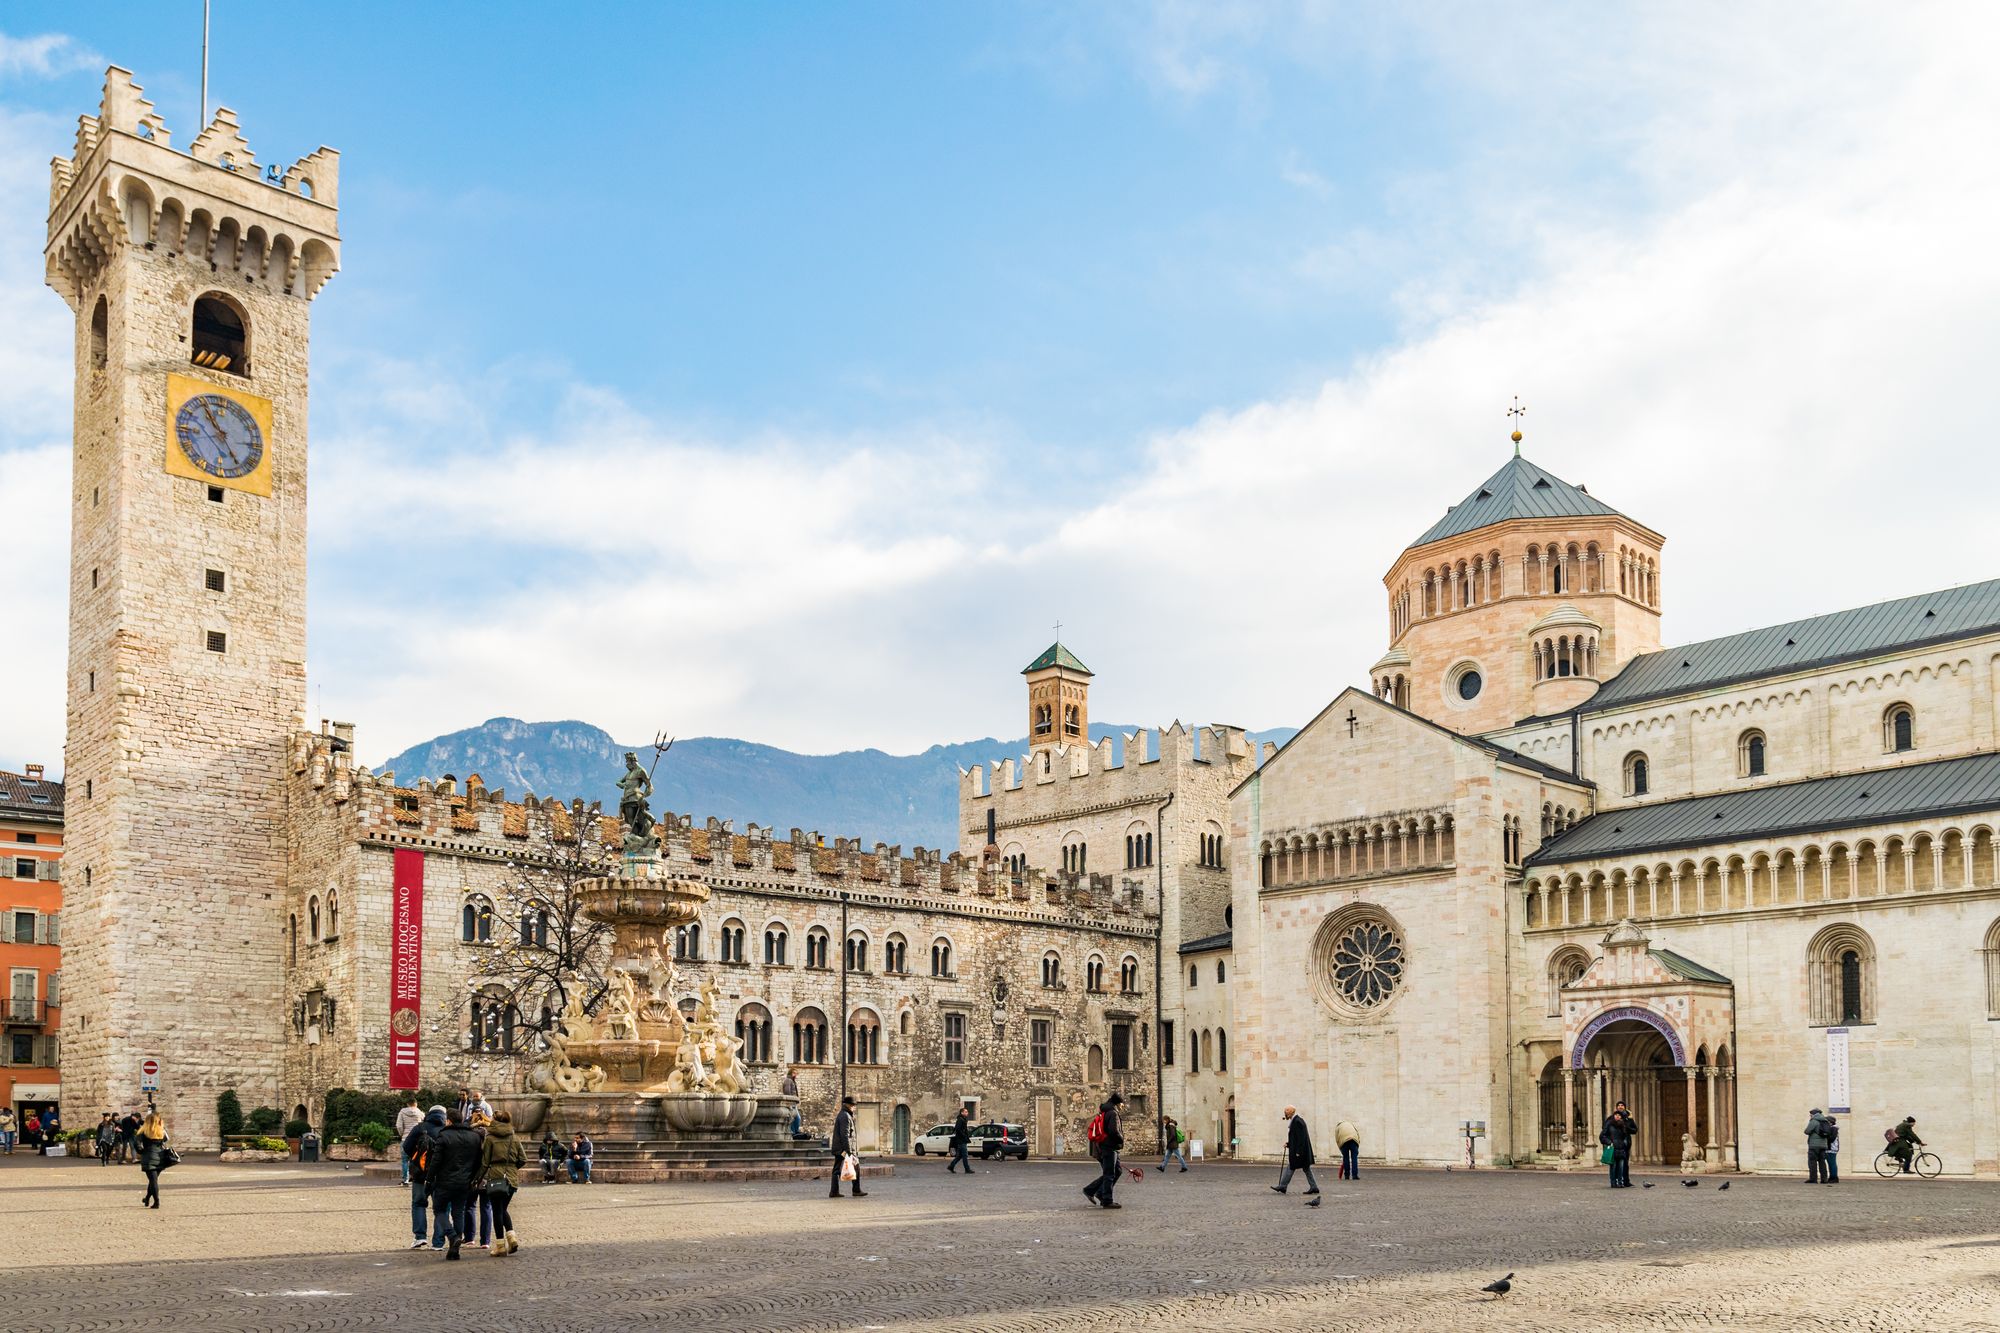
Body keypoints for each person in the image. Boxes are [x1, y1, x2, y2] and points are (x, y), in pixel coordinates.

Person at [423, 1107, 484, 1260]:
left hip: (445, 1181)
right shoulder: (474, 1137)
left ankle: (452, 1236)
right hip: (465, 1181)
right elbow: (478, 1161)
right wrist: (473, 1178)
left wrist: (429, 1179)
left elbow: (436, 1161)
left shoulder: (444, 1136)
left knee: (439, 1209)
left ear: (448, 1121)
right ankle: (454, 1250)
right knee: (458, 1212)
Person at [476, 1109, 526, 1256]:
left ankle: (500, 1246)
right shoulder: (514, 1138)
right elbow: (523, 1159)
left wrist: (477, 1179)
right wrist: (512, 1168)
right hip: (511, 1179)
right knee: (503, 1209)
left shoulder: (490, 1138)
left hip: (495, 1178)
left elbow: (485, 1162)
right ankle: (512, 1237)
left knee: (497, 1210)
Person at [404, 1105, 448, 1250]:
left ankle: (420, 1236)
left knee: (418, 1204)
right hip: (440, 1175)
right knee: (441, 1208)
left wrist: (416, 1158)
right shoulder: (446, 1130)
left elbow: (406, 1146)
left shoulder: (420, 1128)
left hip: (420, 1174)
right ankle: (438, 1242)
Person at [1082, 1093, 1124, 1209]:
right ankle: (1106, 1200)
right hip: (1109, 1147)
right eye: (1122, 1103)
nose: (1123, 1106)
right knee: (1109, 1174)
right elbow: (1113, 1131)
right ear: (1117, 1103)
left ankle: (1096, 1192)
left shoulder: (1106, 1111)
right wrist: (1121, 1138)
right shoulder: (1113, 1113)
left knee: (1117, 1171)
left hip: (1107, 1146)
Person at [1272, 1106, 1320, 1196]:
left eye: (1286, 1111)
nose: (1285, 1113)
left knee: (1291, 1167)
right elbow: (1296, 1137)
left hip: (1300, 1152)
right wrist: (1289, 1144)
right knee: (1306, 1168)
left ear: (1292, 1112)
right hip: (1301, 1151)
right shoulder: (1295, 1121)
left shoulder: (1297, 1121)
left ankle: (1283, 1186)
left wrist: (1298, 1151)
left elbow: (1301, 1138)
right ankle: (1314, 1187)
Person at [829, 1096, 866, 1198]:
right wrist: (849, 1152)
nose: (854, 1107)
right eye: (853, 1105)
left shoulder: (844, 1115)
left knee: (837, 1169)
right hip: (844, 1149)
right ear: (849, 1105)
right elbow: (845, 1135)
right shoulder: (845, 1116)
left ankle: (834, 1191)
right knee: (855, 1167)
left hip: (841, 1149)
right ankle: (856, 1190)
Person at [136, 1110, 170, 1208]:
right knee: (153, 1180)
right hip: (160, 1157)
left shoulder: (143, 1131)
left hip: (149, 1158)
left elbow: (137, 1145)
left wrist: (142, 1152)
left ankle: (156, 1202)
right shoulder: (161, 1131)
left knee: (153, 1180)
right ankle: (147, 1198)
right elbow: (166, 1140)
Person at [1600, 1101, 1638, 1188]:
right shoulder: (1610, 1120)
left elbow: (1634, 1130)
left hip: (1624, 1145)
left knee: (1624, 1164)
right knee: (1614, 1165)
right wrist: (1609, 1142)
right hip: (1613, 1146)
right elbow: (1604, 1133)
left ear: (1625, 1107)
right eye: (1619, 1105)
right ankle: (1614, 1181)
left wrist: (1630, 1120)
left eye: (1622, 1105)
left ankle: (1625, 1181)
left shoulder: (1627, 1119)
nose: (1620, 1107)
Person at [394, 1097, 424, 1186]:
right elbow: (423, 1125)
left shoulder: (402, 1112)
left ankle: (405, 1180)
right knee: (416, 1159)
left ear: (407, 1104)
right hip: (417, 1140)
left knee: (404, 1160)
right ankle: (415, 1177)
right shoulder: (420, 1113)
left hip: (405, 1138)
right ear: (416, 1104)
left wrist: (402, 1134)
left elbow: (399, 1126)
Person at [1805, 1108, 1833, 1184]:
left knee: (1812, 1162)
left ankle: (1813, 1179)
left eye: (1810, 1114)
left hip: (1814, 1145)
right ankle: (1824, 1179)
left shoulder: (1814, 1121)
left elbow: (1807, 1131)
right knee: (1822, 1162)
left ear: (1813, 1114)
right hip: (1823, 1145)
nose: (1810, 1116)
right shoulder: (1825, 1120)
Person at [947, 1106, 974, 1174]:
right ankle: (967, 1169)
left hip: (962, 1140)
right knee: (965, 1155)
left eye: (967, 1112)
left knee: (959, 1156)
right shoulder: (960, 1119)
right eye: (966, 1112)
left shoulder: (963, 1119)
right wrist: (964, 1136)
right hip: (961, 1140)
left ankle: (951, 1166)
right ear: (962, 1112)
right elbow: (958, 1129)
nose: (967, 1113)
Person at [1824, 1114, 1841, 1184]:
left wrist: (1825, 1136)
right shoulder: (1833, 1128)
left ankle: (1834, 1177)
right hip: (1831, 1148)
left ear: (1830, 1122)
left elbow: (1832, 1139)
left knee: (1832, 1163)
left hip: (1832, 1148)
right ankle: (1832, 1177)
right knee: (1831, 1163)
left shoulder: (1833, 1128)